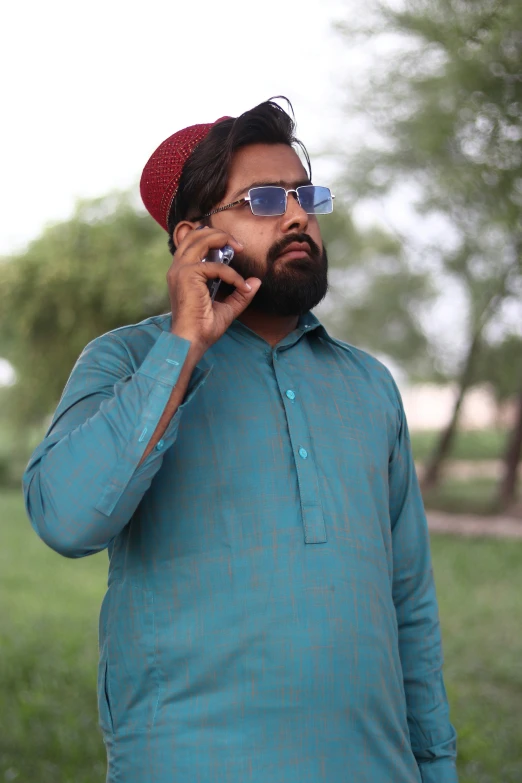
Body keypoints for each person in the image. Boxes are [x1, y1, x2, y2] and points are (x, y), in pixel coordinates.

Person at [23, 98, 458, 783]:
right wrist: (183, 347)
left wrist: (435, 765)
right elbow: (66, 517)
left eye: (305, 196)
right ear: (195, 239)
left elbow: (410, 607)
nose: (296, 216)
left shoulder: (370, 385)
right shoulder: (128, 362)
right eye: (262, 199)